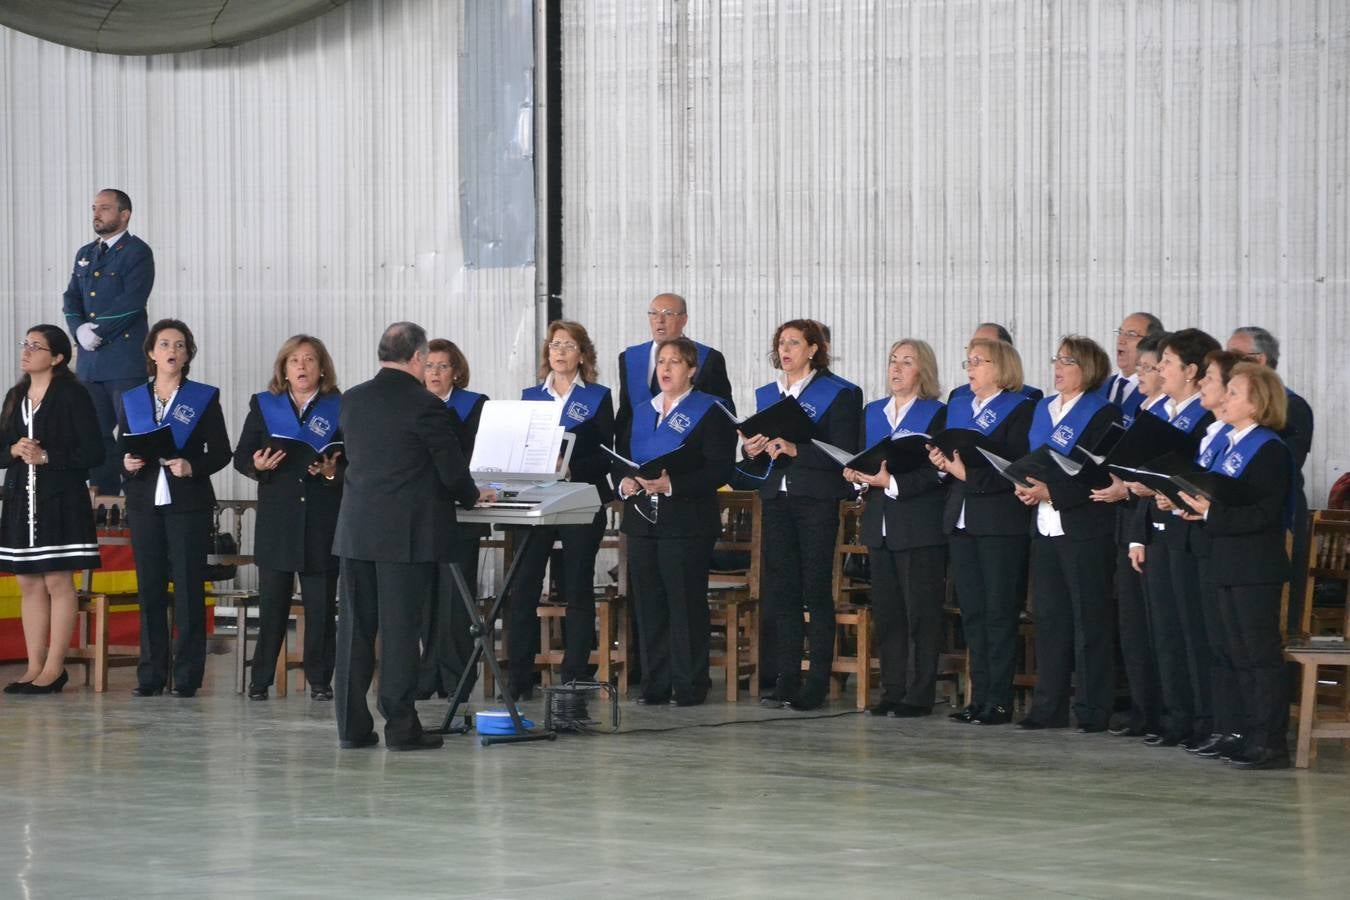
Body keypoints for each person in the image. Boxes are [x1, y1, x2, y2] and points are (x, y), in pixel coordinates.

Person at [332, 323, 488, 751]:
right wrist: (474, 495)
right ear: (417, 358)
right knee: (400, 632)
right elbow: (451, 469)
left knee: (355, 631)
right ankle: (401, 728)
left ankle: (351, 727)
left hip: (356, 531)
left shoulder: (352, 399)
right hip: (404, 535)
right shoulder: (425, 404)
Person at [1176, 363, 1294, 770]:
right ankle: (1242, 732)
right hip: (1223, 561)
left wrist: (1210, 514)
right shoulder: (1229, 444)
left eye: (1234, 393)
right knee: (1230, 652)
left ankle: (1270, 739)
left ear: (1258, 403)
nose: (1224, 398)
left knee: (1258, 655)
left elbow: (1264, 513)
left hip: (1255, 567)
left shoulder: (1270, 449)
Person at [743, 319, 863, 711]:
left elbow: (846, 451)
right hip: (776, 498)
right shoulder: (770, 393)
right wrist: (752, 449)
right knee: (783, 594)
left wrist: (798, 450)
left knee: (815, 590)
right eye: (781, 343)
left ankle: (817, 682)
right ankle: (786, 678)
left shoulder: (839, 393)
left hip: (816, 499)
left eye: (794, 342)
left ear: (814, 349)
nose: (785, 349)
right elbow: (759, 452)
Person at [614, 336, 735, 706]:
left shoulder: (711, 410)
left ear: (692, 370)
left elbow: (720, 467)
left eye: (675, 362)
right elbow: (620, 457)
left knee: (684, 604)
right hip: (641, 520)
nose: (665, 369)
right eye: (661, 362)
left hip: (687, 521)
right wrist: (624, 480)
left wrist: (673, 484)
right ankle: (654, 684)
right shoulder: (640, 410)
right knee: (648, 606)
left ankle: (689, 684)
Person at [1013, 337, 1122, 731]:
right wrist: (1025, 486)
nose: (1058, 367)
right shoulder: (1044, 407)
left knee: (1089, 619)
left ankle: (1093, 709)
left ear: (1089, 367)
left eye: (1068, 361)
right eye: (1056, 359)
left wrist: (1053, 492)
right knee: (1050, 618)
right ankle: (1048, 706)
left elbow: (1099, 473)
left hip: (1084, 525)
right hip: (1043, 524)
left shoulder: (1103, 412)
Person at [118, 319, 231, 698]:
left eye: (180, 345)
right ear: (151, 352)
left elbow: (220, 452)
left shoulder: (202, 397)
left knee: (187, 588)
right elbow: (123, 447)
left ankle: (186, 676)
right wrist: (127, 465)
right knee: (149, 588)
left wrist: (192, 466)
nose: (172, 350)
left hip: (188, 502)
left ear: (187, 355)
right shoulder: (133, 398)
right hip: (143, 503)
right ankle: (150, 674)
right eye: (164, 344)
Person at [505, 321, 615, 701]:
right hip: (536, 501)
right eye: (555, 344)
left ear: (582, 354)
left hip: (581, 498)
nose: (560, 351)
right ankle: (519, 677)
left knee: (577, 586)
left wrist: (569, 467)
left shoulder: (599, 397)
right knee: (523, 587)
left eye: (569, 345)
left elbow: (604, 455)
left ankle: (574, 674)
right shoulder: (530, 396)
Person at [927, 337, 1034, 726]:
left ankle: (999, 700)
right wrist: (942, 463)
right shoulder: (959, 405)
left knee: (999, 614)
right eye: (968, 361)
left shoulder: (1021, 409)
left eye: (979, 361)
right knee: (972, 614)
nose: (970, 368)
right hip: (961, 517)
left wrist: (965, 473)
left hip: (1000, 520)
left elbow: (1016, 468)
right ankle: (979, 696)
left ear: (1001, 367)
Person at [233, 335, 344, 701]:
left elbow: (356, 460)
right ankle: (260, 679)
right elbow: (242, 456)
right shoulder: (266, 406)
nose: (301, 366)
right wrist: (257, 465)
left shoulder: (338, 407)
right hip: (278, 521)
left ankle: (320, 680)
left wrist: (331, 472)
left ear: (322, 367)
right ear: (283, 368)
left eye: (310, 360)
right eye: (294, 360)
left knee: (321, 608)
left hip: (321, 521)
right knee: (272, 606)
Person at [842, 339, 947, 718]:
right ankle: (893, 689)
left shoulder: (936, 413)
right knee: (888, 614)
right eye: (892, 361)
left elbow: (938, 472)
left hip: (919, 524)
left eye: (907, 362)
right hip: (879, 524)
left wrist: (893, 484)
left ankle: (919, 694)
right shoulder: (873, 411)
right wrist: (855, 476)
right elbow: (859, 457)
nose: (896, 369)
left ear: (923, 372)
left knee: (921, 614)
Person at [0, 326, 104, 694]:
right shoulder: (15, 396)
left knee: (57, 581)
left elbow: (94, 452)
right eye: (24, 344)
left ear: (57, 357)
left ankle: (55, 667)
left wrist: (48, 457)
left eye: (36, 346)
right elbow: (0, 449)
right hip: (20, 501)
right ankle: (33, 666)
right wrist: (14, 450)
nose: (26, 351)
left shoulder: (73, 395)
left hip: (59, 500)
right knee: (28, 582)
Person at [1134, 327, 1222, 748]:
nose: (1159, 370)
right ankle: (1176, 717)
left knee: (1192, 630)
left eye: (1167, 363)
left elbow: (1201, 479)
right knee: (1164, 629)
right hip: (1158, 528)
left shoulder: (1203, 417)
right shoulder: (1157, 412)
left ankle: (1205, 719)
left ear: (1191, 371)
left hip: (1191, 531)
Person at [1094, 331, 1168, 737]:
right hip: (1129, 524)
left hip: (1154, 525)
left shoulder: (1169, 417)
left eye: (1148, 367)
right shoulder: (1140, 411)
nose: (1139, 373)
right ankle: (1143, 711)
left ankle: (1166, 713)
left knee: (1159, 629)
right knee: (1134, 627)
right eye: (1138, 366)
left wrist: (1127, 487)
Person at [62, 189, 154, 495]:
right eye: (94, 208)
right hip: (90, 364)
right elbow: (71, 297)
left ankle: (136, 497)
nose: (96, 214)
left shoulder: (137, 251)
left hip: (124, 360)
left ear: (124, 214)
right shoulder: (86, 253)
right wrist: (78, 330)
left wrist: (97, 331)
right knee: (93, 433)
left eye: (104, 208)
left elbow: (133, 302)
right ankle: (105, 498)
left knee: (132, 432)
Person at [1226, 326, 1314, 628]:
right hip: (1235, 520)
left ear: (1260, 360)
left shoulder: (1293, 406)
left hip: (1274, 516)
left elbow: (1285, 467)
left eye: (1235, 356)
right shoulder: (1227, 409)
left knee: (1269, 623)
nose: (1229, 364)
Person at [418, 338, 489, 700]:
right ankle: (427, 673)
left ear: (456, 372)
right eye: (429, 366)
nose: (435, 373)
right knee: (426, 597)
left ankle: (457, 677)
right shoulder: (411, 407)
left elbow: (472, 454)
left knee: (456, 598)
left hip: (462, 511)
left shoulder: (474, 406)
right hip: (423, 513)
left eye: (443, 366)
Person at [615, 293, 735, 440]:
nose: (660, 320)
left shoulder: (707, 358)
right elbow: (625, 414)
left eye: (668, 314)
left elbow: (724, 416)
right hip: (636, 454)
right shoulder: (630, 358)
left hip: (687, 454)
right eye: (654, 313)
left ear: (684, 319)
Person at [1098, 312, 1165, 426]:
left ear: (1151, 344)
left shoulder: (1159, 392)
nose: (1121, 340)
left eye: (1131, 334)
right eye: (1120, 332)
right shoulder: (1098, 387)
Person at [948, 324, 1043, 403]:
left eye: (987, 344)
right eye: (975, 344)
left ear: (1005, 353)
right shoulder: (957, 395)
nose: (977, 349)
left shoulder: (1028, 397)